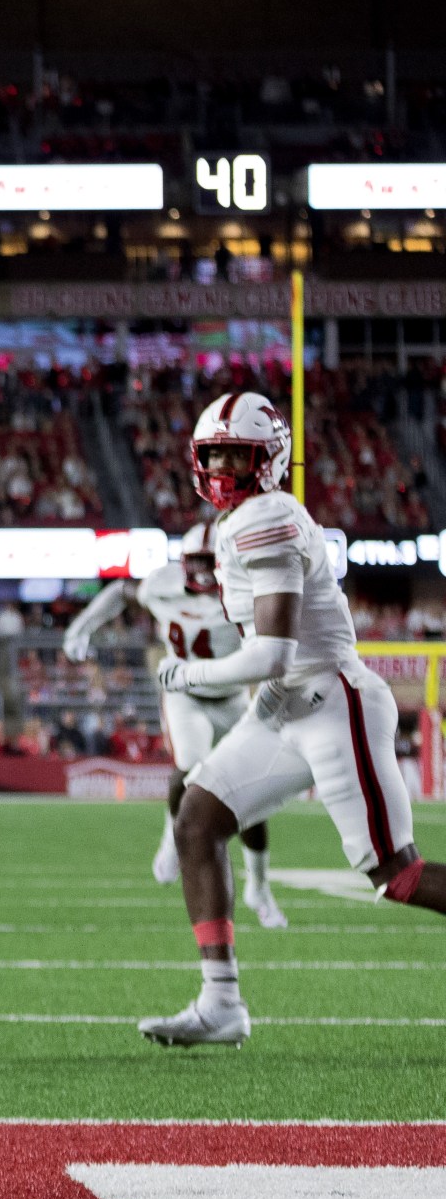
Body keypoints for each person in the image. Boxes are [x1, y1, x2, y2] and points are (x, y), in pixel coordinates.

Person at [140, 393, 446, 1048]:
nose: (221, 466)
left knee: (399, 876)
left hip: (335, 706)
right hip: (285, 706)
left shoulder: (268, 516)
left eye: (235, 454)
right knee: (197, 822)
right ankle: (221, 1002)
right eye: (213, 453)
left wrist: (187, 675)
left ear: (267, 461)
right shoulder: (241, 522)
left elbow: (273, 650)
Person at [64, 522, 286, 928]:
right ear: (182, 563)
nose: (202, 572)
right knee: (189, 768)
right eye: (195, 562)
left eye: (209, 562)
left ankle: (258, 885)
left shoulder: (244, 590)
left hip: (233, 698)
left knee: (250, 795)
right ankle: (172, 839)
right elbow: (120, 592)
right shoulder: (161, 584)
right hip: (185, 696)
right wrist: (82, 626)